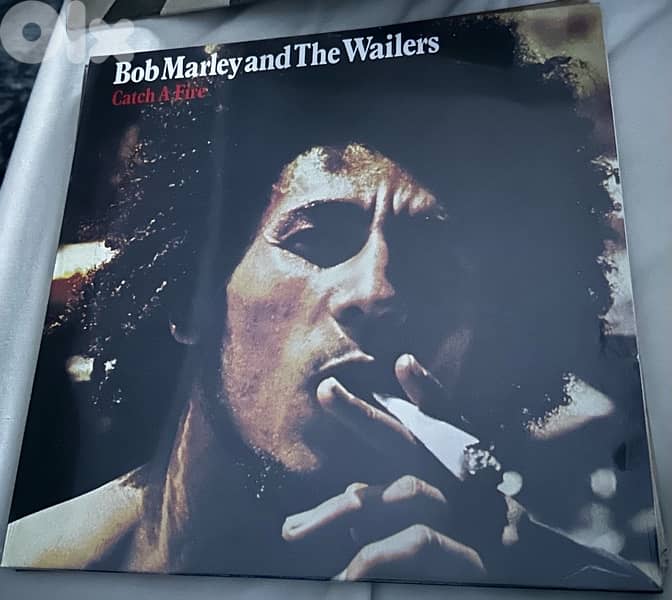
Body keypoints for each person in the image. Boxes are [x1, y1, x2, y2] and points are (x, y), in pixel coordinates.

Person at [2, 16, 658, 589]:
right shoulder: (27, 564)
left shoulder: (583, 588)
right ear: (192, 296)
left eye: (437, 260)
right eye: (316, 239)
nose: (377, 293)